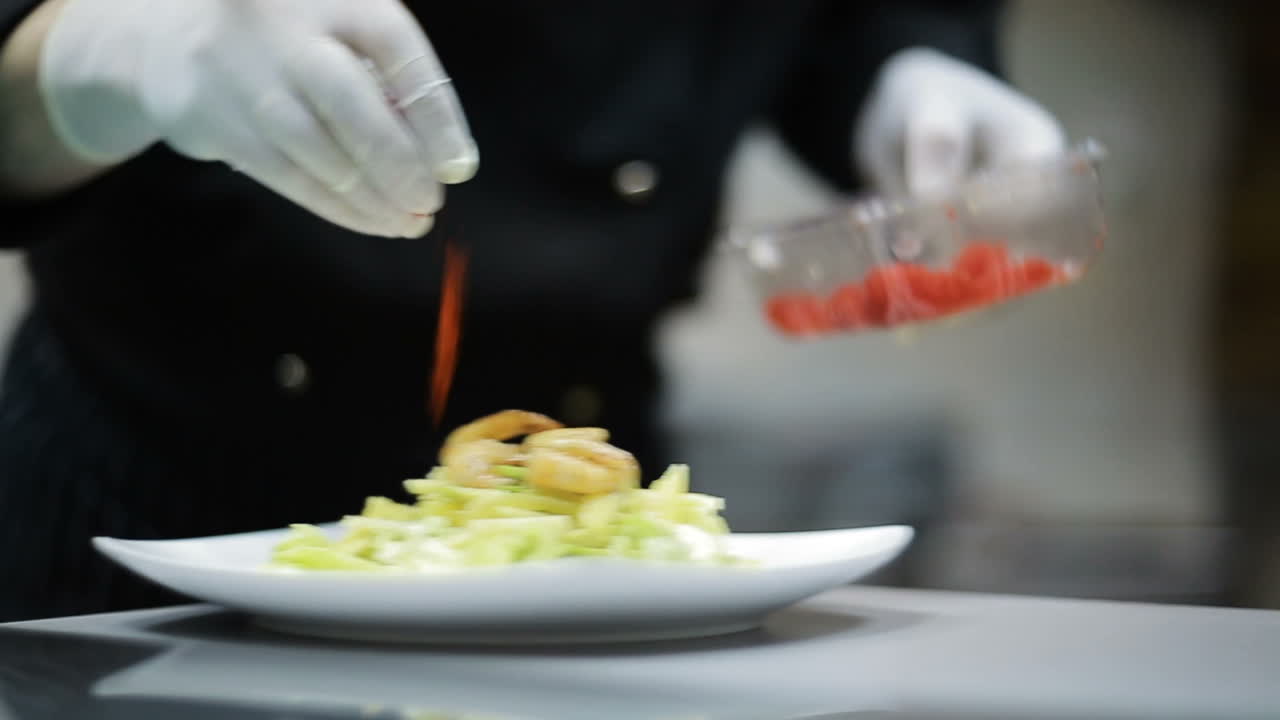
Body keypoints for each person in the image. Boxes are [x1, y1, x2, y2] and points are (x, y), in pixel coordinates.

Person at [0, 0, 1065, 621]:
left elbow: (851, 14)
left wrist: (909, 61)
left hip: (595, 555)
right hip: (138, 508)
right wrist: (89, 57)